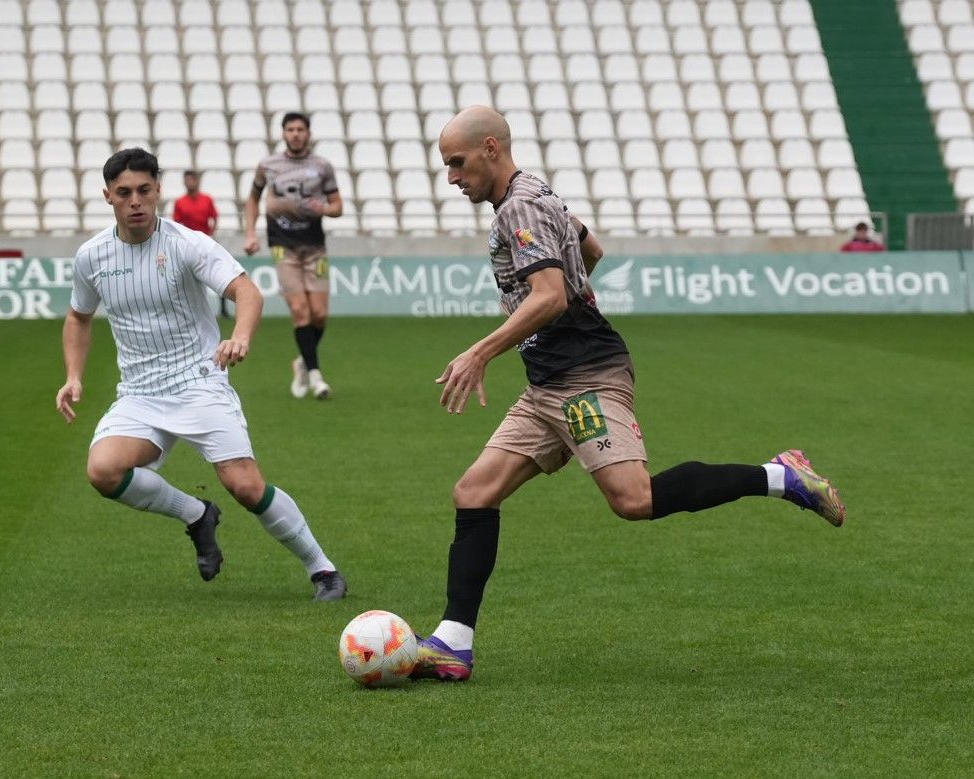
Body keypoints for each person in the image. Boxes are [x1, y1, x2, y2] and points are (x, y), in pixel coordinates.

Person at [412, 107, 845, 682]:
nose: (451, 177)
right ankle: (452, 645)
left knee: (633, 500)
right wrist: (562, 301)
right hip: (548, 382)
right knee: (473, 493)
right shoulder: (539, 193)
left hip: (585, 378)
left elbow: (550, 296)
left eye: (457, 163)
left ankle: (780, 475)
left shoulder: (520, 206)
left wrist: (479, 352)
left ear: (491, 148)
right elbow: (592, 249)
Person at [55, 148, 347, 601]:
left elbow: (246, 291)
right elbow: (78, 317)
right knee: (103, 470)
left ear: (159, 191)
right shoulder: (92, 256)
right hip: (139, 393)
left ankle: (322, 569)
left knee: (246, 487)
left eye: (145, 191)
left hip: (199, 381)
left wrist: (241, 337)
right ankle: (196, 514)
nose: (136, 201)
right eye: (125, 193)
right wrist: (73, 376)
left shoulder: (186, 243)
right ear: (108, 197)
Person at [242, 112, 342, 400]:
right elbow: (252, 198)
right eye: (290, 129)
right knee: (300, 310)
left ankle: (302, 360)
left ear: (308, 134)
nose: (296, 134)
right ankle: (316, 376)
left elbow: (338, 206)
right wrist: (250, 233)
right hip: (282, 247)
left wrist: (323, 208)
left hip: (315, 248)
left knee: (319, 315)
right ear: (283, 133)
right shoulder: (268, 165)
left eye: (300, 129)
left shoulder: (322, 166)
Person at [171, 170, 218, 236]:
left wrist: (211, 234)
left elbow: (215, 217)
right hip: (188, 239)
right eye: (187, 180)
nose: (190, 182)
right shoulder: (179, 202)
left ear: (197, 181)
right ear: (184, 182)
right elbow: (176, 223)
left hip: (205, 238)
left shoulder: (207, 199)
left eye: (192, 179)